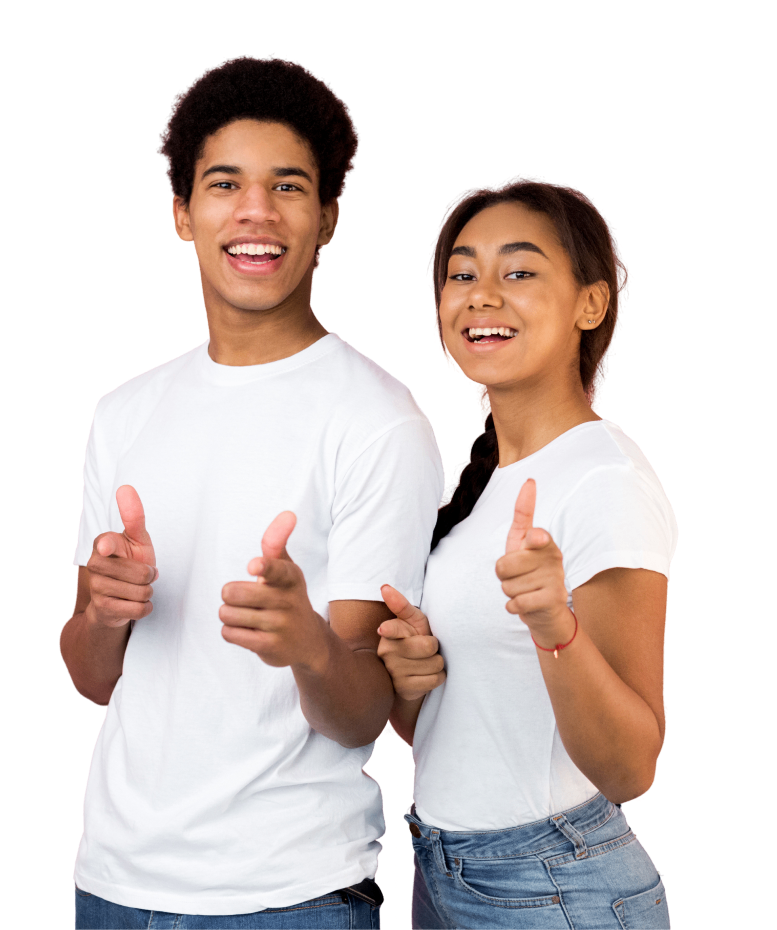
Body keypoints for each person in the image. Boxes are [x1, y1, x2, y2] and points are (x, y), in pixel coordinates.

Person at [60, 55, 444, 929]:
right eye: (225, 183)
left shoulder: (379, 421)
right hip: (111, 883)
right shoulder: (124, 412)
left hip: (285, 894)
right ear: (184, 214)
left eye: (289, 186)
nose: (256, 213)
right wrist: (104, 616)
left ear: (326, 221)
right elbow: (91, 675)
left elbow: (364, 714)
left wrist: (308, 641)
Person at [377, 175, 677, 929]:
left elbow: (628, 766)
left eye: (518, 271)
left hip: (552, 886)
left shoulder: (603, 479)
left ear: (591, 303)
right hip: (449, 869)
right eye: (460, 274)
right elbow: (476, 724)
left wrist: (554, 627)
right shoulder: (474, 483)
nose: (481, 294)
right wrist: (409, 679)